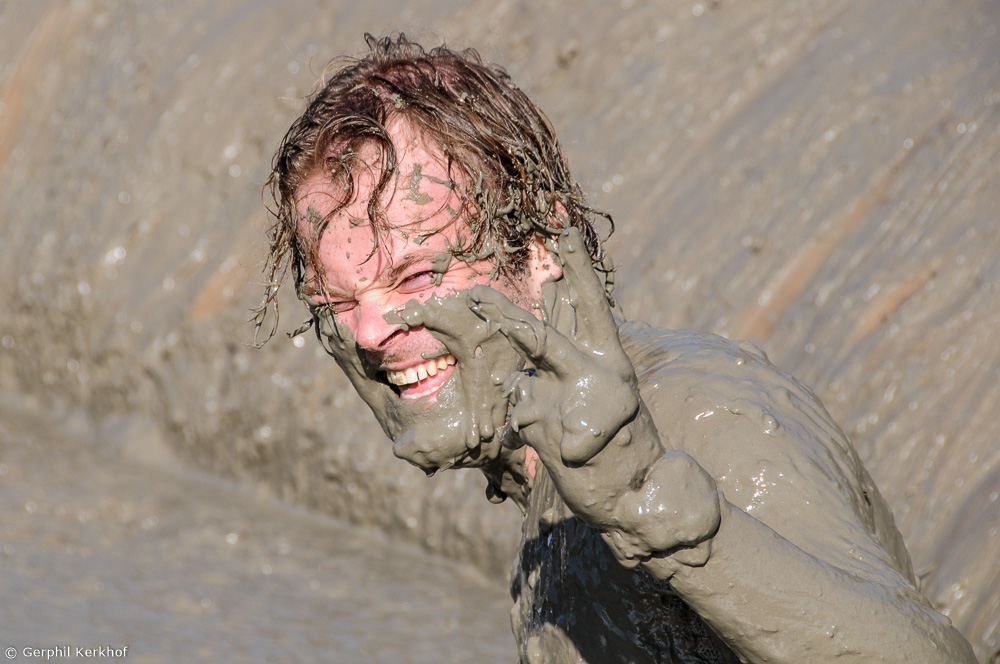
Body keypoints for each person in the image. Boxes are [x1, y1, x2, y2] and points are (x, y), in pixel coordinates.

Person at [256, 34, 977, 663]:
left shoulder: (701, 424)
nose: (370, 332)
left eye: (415, 275)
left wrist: (656, 512)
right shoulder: (545, 476)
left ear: (540, 247)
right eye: (337, 301)